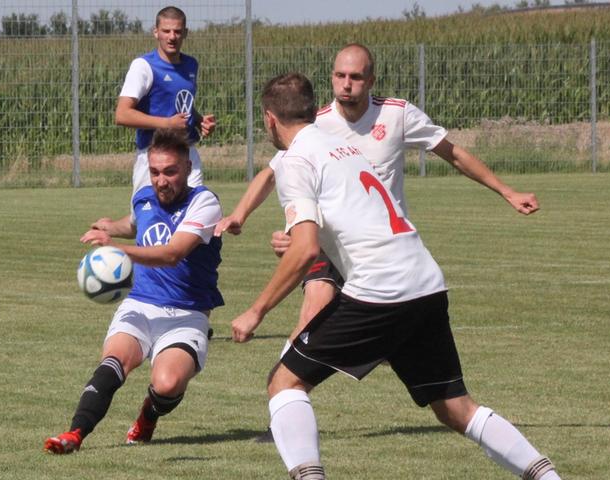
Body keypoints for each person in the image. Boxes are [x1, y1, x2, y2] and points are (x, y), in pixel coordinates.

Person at [228, 72, 561, 480]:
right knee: (455, 406)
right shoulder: (343, 145)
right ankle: (548, 477)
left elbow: (306, 249)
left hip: (379, 290)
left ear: (269, 119)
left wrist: (255, 310)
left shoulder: (296, 159)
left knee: (285, 382)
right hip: (425, 281)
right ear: (313, 110)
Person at [44, 128, 224, 453]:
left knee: (167, 384)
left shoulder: (204, 203)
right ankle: (74, 434)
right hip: (140, 304)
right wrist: (112, 226)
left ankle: (148, 416)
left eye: (170, 171)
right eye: (155, 172)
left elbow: (173, 254)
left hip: (187, 313)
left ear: (187, 168)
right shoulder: (144, 196)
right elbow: (137, 221)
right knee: (114, 362)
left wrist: (116, 250)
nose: (161, 180)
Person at [115, 5, 216, 195]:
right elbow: (122, 114)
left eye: (177, 31)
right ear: (156, 32)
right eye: (166, 31)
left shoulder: (191, 64)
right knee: (147, 220)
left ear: (185, 33)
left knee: (193, 216)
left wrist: (200, 120)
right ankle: (108, 227)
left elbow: (181, 104)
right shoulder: (143, 66)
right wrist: (167, 123)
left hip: (186, 154)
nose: (172, 37)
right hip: (154, 156)